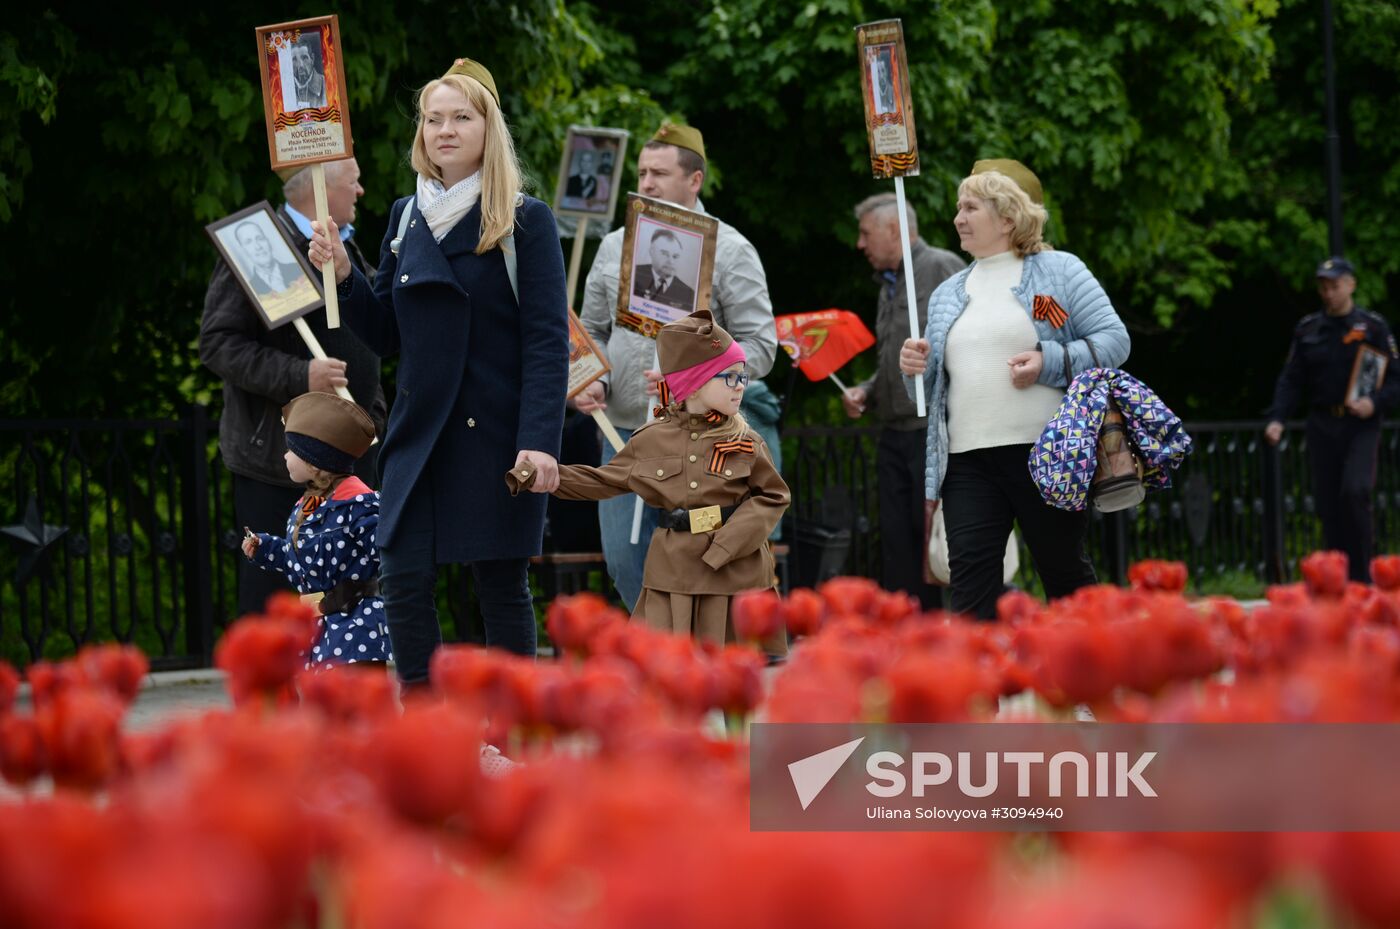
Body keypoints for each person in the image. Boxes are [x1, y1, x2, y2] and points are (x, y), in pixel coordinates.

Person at [307, 57, 569, 688]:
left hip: (498, 433)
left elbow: (546, 340)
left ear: (489, 127)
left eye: (460, 116)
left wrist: (539, 439)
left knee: (501, 586)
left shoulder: (525, 220)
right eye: (432, 119)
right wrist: (342, 272)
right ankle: (426, 733)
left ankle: (509, 740)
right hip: (418, 435)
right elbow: (386, 333)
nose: (444, 129)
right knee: (402, 578)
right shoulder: (403, 216)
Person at [898, 159, 1130, 620]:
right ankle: (979, 693)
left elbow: (1114, 341)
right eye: (958, 208)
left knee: (1064, 576)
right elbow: (927, 393)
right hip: (966, 463)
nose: (957, 218)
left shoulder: (1061, 271)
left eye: (970, 208)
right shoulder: (947, 292)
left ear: (1007, 217)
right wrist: (913, 369)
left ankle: (1092, 684)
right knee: (969, 588)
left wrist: (1049, 361)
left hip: (1045, 454)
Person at [576, 122, 778, 611]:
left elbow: (761, 345)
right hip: (625, 431)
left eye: (660, 173)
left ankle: (699, 669)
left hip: (705, 443)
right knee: (625, 561)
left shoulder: (730, 251)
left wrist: (696, 376)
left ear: (695, 181)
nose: (646, 183)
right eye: (643, 172)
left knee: (702, 557)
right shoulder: (612, 247)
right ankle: (661, 660)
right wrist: (589, 378)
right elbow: (591, 331)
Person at [510, 311, 788, 645]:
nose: (740, 386)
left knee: (733, 677)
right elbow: (603, 481)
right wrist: (543, 475)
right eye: (729, 377)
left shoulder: (747, 441)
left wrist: (726, 545)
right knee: (667, 673)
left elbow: (772, 497)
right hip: (673, 577)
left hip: (734, 573)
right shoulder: (650, 439)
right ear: (694, 384)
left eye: (742, 377)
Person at [200, 156, 386, 618]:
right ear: (321, 187)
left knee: (351, 602)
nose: (360, 192)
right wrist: (300, 377)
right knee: (276, 607)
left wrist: (374, 413)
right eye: (353, 181)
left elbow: (373, 342)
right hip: (278, 466)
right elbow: (218, 343)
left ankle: (346, 693)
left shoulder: (350, 249)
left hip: (351, 466)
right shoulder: (263, 245)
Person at [845, 193, 966, 608]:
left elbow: (967, 340)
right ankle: (909, 637)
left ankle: (964, 633)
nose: (860, 245)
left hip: (931, 431)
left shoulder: (941, 267)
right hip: (893, 431)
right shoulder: (889, 284)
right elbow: (895, 359)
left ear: (892, 230)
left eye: (866, 234)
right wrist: (868, 389)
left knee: (937, 539)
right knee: (898, 543)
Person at [1265, 257, 1400, 581]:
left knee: (1355, 492)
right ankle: (1336, 578)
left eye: (1335, 286)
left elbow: (1396, 380)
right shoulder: (1308, 329)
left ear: (1351, 285)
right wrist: (1278, 418)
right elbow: (1291, 378)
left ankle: (1362, 575)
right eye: (1323, 287)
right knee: (1328, 503)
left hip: (1360, 425)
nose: (1328, 293)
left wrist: (1374, 403)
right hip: (1322, 424)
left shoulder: (1372, 328)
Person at [241, 391, 391, 669]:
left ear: (314, 461)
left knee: (355, 707)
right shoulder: (308, 504)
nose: (285, 456)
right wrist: (265, 548)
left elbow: (385, 552)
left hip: (354, 629)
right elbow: (301, 561)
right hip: (320, 629)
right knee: (321, 709)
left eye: (291, 450)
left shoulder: (358, 503)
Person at [632, 228, 695, 310]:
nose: (671, 261)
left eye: (675, 256)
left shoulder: (688, 295)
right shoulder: (633, 273)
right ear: (651, 252)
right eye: (665, 254)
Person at [234, 220, 303, 294]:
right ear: (243, 250)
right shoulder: (248, 289)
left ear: (268, 241)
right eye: (248, 242)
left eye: (260, 238)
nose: (258, 246)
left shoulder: (299, 269)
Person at [290, 39, 327, 110]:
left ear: (312, 59)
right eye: (294, 59)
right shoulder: (284, 91)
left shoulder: (326, 84)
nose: (300, 65)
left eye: (304, 58)